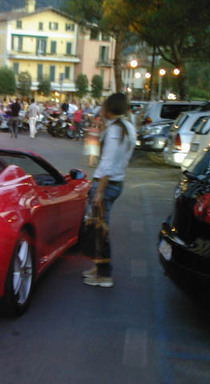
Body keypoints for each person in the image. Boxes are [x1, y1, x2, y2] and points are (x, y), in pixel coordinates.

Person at [82, 93, 136, 288]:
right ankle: (99, 268)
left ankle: (104, 274)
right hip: (117, 182)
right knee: (99, 227)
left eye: (103, 105)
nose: (101, 107)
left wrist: (98, 193)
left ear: (110, 108)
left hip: (105, 184)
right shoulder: (127, 128)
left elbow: (106, 164)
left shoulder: (115, 132)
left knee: (100, 231)